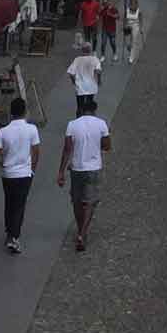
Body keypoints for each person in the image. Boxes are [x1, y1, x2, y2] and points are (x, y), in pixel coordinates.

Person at [57, 97, 111, 252]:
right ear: (94, 110)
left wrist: (61, 172)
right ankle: (82, 233)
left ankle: (80, 228)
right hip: (93, 168)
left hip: (76, 168)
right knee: (90, 202)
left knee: (76, 201)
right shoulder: (101, 124)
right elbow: (107, 146)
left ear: (81, 111)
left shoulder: (72, 125)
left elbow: (67, 149)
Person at [0, 97, 41, 255]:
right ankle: (14, 237)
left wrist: (3, 164)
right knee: (20, 205)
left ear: (11, 112)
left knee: (9, 202)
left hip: (8, 174)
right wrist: (32, 169)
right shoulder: (32, 129)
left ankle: (9, 231)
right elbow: (36, 152)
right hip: (24, 173)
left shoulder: (3, 131)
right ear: (24, 111)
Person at [66, 39, 102, 105]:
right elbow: (98, 71)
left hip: (80, 87)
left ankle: (80, 114)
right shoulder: (95, 59)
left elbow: (71, 73)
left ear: (82, 50)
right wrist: (99, 81)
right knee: (89, 104)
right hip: (91, 86)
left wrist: (74, 82)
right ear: (90, 50)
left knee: (80, 105)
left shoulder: (77, 60)